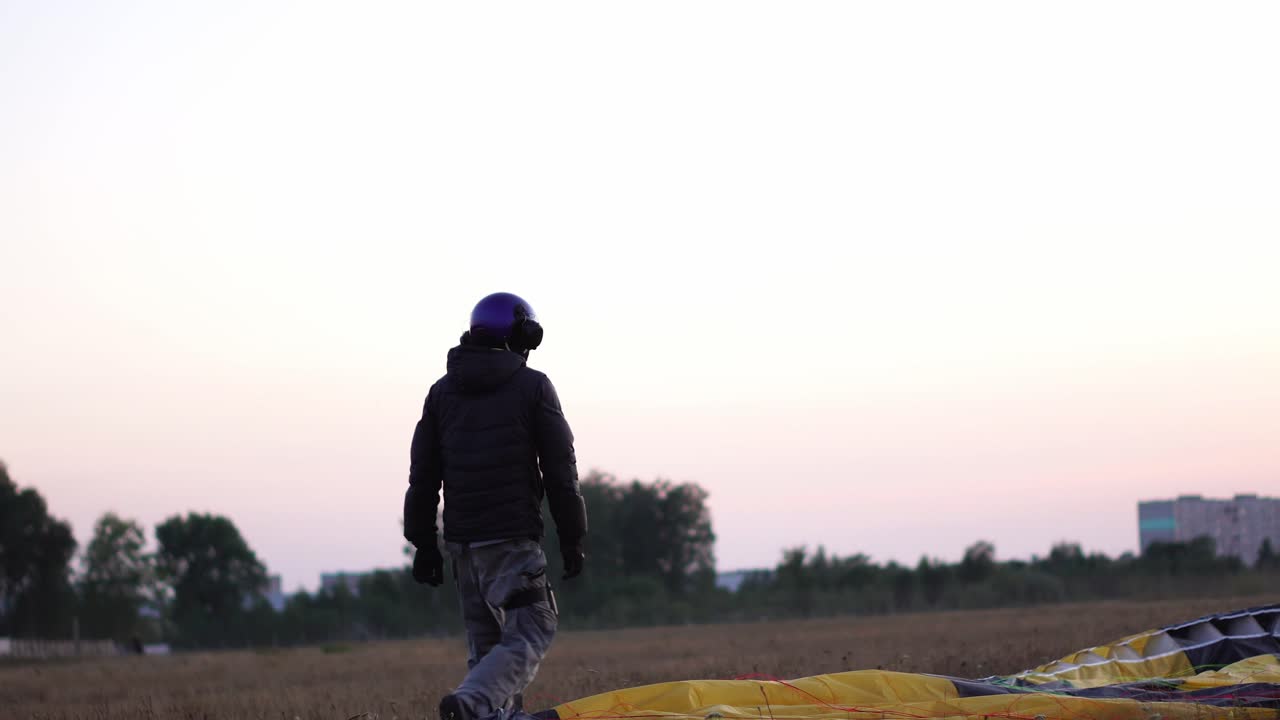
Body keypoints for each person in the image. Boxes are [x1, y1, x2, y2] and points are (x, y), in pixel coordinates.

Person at [403, 291, 588, 720]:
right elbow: (561, 471)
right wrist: (574, 537)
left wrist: (424, 545)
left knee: (487, 650)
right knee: (534, 625)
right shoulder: (533, 386)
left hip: (464, 549)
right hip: (512, 542)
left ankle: (484, 711)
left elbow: (423, 476)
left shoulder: (441, 394)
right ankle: (471, 703)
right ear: (521, 333)